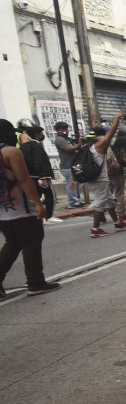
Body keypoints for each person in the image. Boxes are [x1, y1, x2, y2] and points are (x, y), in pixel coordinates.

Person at [0, 119, 60, 298]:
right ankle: (36, 282)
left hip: (2, 210)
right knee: (31, 242)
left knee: (13, 242)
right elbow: (24, 178)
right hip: (20, 207)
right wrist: (38, 204)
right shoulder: (10, 152)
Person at [82, 112, 126, 238]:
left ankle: (117, 223)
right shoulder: (99, 145)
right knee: (100, 202)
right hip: (100, 179)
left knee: (109, 200)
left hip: (93, 178)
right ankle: (95, 229)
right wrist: (117, 118)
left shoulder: (87, 146)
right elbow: (112, 132)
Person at [20, 127, 57, 222]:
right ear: (36, 134)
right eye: (40, 133)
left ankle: (40, 216)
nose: (42, 135)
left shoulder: (26, 146)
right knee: (50, 195)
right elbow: (38, 161)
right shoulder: (36, 145)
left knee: (37, 196)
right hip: (41, 176)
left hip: (33, 176)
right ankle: (49, 216)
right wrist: (42, 176)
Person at [53, 121, 85, 209]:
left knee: (78, 183)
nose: (65, 130)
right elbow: (68, 149)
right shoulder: (60, 139)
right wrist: (79, 145)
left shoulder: (68, 139)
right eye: (63, 129)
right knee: (71, 184)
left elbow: (77, 147)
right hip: (67, 165)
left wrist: (80, 145)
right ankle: (73, 202)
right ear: (58, 130)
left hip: (74, 165)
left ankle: (77, 200)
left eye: (66, 128)